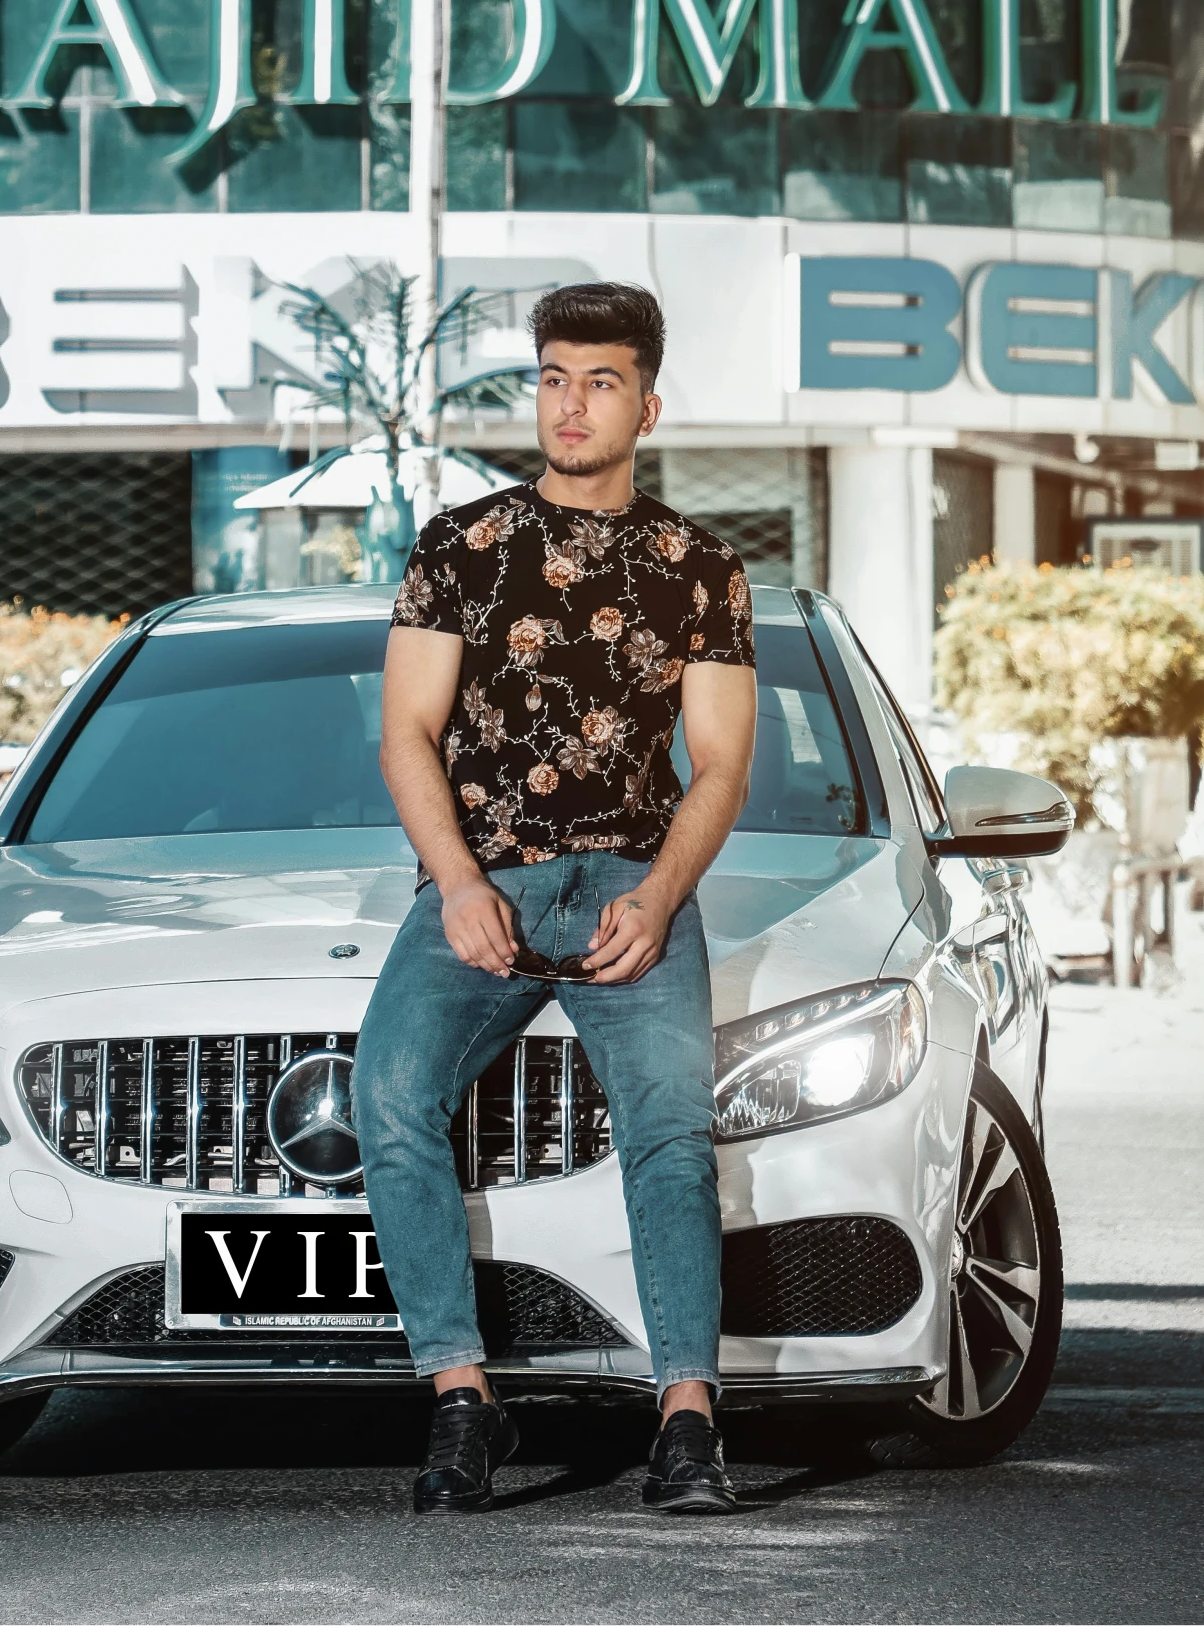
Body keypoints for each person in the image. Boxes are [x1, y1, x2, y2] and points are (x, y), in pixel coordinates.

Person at [352, 281, 758, 1515]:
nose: (569, 404)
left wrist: (660, 893)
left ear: (645, 400)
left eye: (597, 381)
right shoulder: (459, 549)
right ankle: (462, 1396)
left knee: (669, 1133)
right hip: (490, 885)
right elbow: (404, 736)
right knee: (388, 1090)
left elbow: (721, 765)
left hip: (631, 886)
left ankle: (684, 1419)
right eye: (550, 377)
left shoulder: (701, 567)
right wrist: (460, 882)